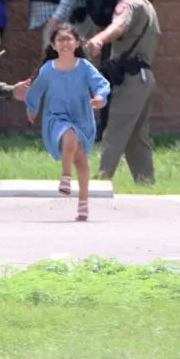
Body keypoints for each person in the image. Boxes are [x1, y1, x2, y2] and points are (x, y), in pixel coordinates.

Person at [84, 0, 161, 185]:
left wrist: (99, 40)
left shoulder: (128, 4)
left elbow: (119, 26)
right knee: (136, 136)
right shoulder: (147, 5)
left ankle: (100, 182)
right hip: (144, 78)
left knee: (115, 131)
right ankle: (145, 183)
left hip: (131, 78)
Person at [24, 24, 110, 221]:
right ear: (53, 45)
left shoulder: (85, 67)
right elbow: (36, 90)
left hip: (82, 118)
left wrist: (100, 98)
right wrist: (32, 108)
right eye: (60, 40)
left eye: (68, 39)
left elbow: (101, 85)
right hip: (56, 117)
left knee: (82, 162)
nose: (64, 43)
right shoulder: (48, 70)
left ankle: (83, 203)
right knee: (69, 136)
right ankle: (65, 177)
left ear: (77, 43)